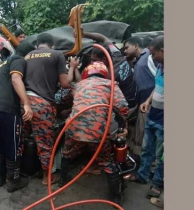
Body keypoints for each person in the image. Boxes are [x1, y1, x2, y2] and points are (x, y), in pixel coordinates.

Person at [58, 61, 129, 205]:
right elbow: (123, 107)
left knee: (67, 153)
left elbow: (64, 98)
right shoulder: (110, 84)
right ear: (104, 73)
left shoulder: (79, 85)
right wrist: (123, 124)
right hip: (97, 133)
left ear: (86, 73)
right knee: (106, 162)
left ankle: (62, 180)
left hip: (73, 128)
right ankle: (116, 197)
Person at [23, 33, 76, 185]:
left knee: (21, 137)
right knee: (44, 142)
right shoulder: (57, 54)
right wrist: (72, 67)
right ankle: (47, 178)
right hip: (42, 104)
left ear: (37, 45)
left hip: (24, 102)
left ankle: (20, 171)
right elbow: (65, 84)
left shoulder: (27, 55)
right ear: (51, 45)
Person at [0, 41, 36, 193]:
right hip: (7, 110)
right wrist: (26, 103)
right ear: (28, 55)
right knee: (14, 145)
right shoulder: (18, 59)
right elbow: (15, 79)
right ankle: (13, 181)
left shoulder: (1, 65)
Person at [130, 36, 164, 200]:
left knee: (161, 157)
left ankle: (157, 185)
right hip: (153, 115)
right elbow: (156, 86)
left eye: (153, 53)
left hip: (164, 121)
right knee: (146, 149)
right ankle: (142, 176)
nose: (152, 57)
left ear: (163, 51)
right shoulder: (161, 66)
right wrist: (148, 101)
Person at [81, 29, 137, 109]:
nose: (92, 63)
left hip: (126, 106)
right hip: (131, 97)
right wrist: (84, 34)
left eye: (94, 60)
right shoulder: (116, 54)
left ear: (104, 59)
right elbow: (103, 38)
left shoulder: (110, 76)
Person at [123, 36, 158, 162]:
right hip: (144, 103)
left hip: (151, 103)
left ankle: (145, 164)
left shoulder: (149, 56)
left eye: (127, 47)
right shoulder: (139, 60)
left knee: (145, 135)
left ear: (136, 46)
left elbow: (160, 79)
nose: (125, 51)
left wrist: (150, 99)